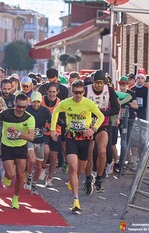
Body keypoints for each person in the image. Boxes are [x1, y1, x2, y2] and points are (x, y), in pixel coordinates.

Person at [50, 80, 104, 212]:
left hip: (85, 139)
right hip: (71, 138)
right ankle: (76, 200)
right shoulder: (66, 103)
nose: (78, 95)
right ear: (72, 92)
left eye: (80, 92)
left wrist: (94, 129)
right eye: (75, 92)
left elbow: (101, 116)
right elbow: (55, 112)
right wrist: (53, 129)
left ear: (84, 92)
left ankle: (72, 181)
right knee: (73, 167)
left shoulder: (89, 103)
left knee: (80, 170)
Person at [0, 93, 35, 209]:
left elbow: (31, 137)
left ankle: (15, 198)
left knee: (21, 175)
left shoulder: (29, 118)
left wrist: (17, 133)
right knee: (11, 174)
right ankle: (7, 176)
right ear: (15, 104)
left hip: (21, 147)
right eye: (19, 106)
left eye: (24, 107)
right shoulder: (6, 114)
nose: (21, 109)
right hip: (7, 146)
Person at [84, 70, 120, 194]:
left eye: (101, 83)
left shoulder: (109, 90)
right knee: (89, 154)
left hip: (102, 124)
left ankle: (99, 178)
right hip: (88, 125)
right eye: (96, 83)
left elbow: (116, 108)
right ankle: (88, 179)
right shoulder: (86, 90)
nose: (98, 85)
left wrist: (103, 113)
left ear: (104, 82)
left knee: (102, 151)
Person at [25, 92, 51, 194]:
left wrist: (48, 128)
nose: (36, 104)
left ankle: (34, 184)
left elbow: (51, 122)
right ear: (30, 101)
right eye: (34, 102)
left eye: (38, 102)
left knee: (39, 166)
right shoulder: (27, 110)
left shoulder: (45, 111)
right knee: (32, 159)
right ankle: (29, 176)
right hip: (29, 139)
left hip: (40, 140)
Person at [41, 82, 63, 186]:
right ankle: (43, 166)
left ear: (57, 92)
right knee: (45, 151)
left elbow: (63, 119)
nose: (52, 94)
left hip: (56, 132)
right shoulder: (41, 101)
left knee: (54, 155)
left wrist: (56, 124)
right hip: (44, 131)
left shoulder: (60, 103)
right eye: (50, 92)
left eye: (54, 92)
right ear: (46, 92)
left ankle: (49, 177)